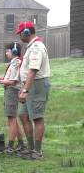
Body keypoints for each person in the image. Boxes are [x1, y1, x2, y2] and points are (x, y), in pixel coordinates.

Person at [15, 21, 51, 160]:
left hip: (37, 85)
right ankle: (30, 148)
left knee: (37, 117)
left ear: (26, 33)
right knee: (23, 115)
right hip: (30, 85)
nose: (19, 36)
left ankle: (37, 151)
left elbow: (33, 71)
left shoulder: (36, 47)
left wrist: (25, 90)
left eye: (20, 33)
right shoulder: (31, 47)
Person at [0, 42, 26, 154]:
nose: (6, 53)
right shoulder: (13, 63)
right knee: (15, 119)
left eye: (8, 51)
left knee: (11, 120)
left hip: (12, 92)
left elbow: (12, 81)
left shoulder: (15, 64)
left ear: (14, 52)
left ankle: (10, 146)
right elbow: (5, 78)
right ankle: (22, 144)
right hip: (10, 92)